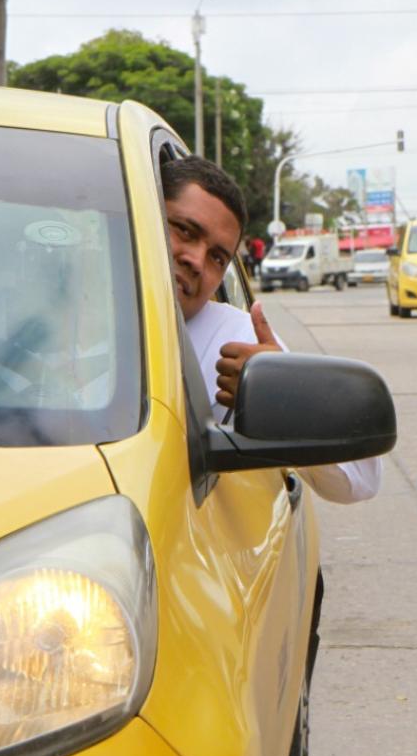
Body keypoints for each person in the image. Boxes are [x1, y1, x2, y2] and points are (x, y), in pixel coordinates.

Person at [160, 156, 381, 504]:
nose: (197, 261)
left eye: (218, 257)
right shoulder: (48, 309)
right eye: (185, 231)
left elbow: (358, 481)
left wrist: (284, 395)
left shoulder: (231, 338)